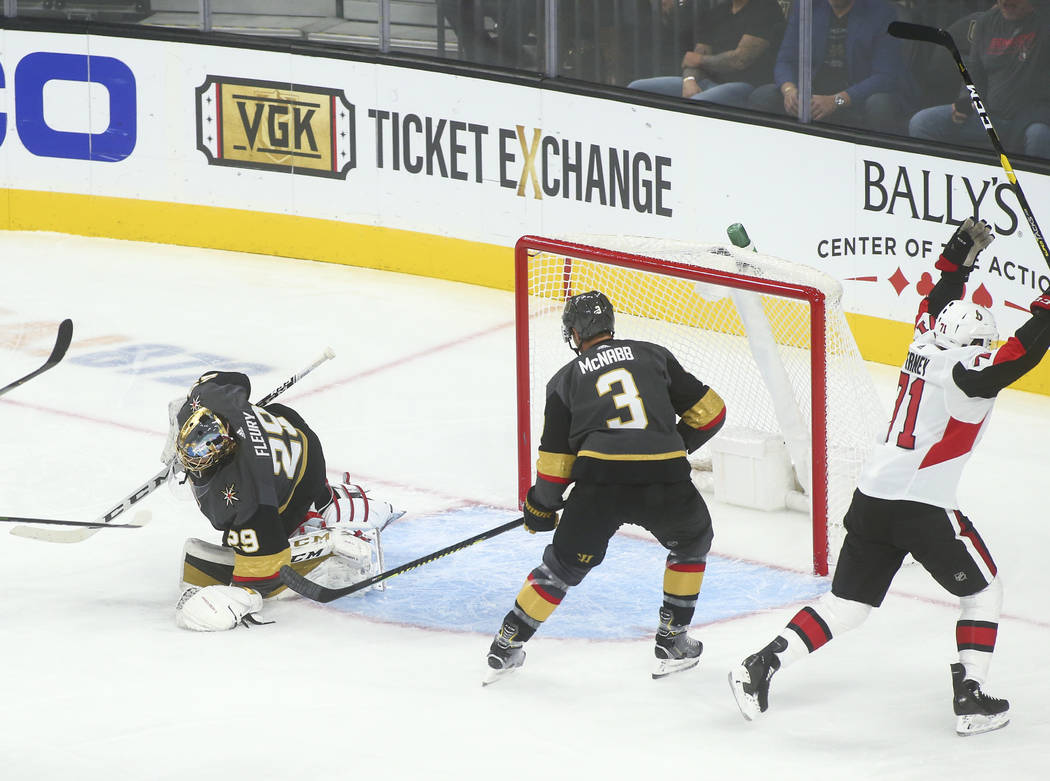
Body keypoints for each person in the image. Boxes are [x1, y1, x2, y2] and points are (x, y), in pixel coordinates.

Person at [729, 218, 1050, 736]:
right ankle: (970, 695)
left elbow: (937, 300)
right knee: (984, 593)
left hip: (872, 497)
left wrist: (957, 258)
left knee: (847, 605)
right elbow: (1020, 354)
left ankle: (759, 665)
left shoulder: (924, 340)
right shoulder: (969, 376)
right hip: (920, 506)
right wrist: (1045, 309)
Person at [483, 291, 727, 684]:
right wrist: (669, 444)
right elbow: (712, 412)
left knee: (560, 567)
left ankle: (507, 643)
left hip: (600, 485)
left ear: (575, 333)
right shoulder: (654, 354)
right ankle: (672, 640)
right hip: (664, 480)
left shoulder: (563, 380)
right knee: (693, 540)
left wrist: (540, 507)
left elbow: (555, 465)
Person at [166, 371, 401, 631]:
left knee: (258, 550)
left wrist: (243, 593)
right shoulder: (208, 398)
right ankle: (323, 501)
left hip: (303, 479)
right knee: (240, 541)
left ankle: (318, 513)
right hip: (286, 420)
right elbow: (239, 379)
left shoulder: (251, 496)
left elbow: (264, 577)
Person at [748, 0, 918, 134]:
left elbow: (885, 76)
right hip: (814, 92)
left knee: (880, 105)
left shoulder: (881, 12)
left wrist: (836, 100)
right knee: (763, 96)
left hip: (857, 96)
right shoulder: (807, 6)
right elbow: (785, 59)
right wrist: (790, 91)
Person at [908, 0, 1050, 160]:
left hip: (1032, 119)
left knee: (1039, 135)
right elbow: (975, 73)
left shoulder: (1044, 22)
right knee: (922, 122)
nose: (1007, 2)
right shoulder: (986, 22)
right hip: (990, 116)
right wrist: (967, 100)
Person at [628, 0, 786, 108]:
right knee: (637, 89)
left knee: (696, 105)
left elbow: (740, 60)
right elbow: (693, 58)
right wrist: (689, 80)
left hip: (745, 86)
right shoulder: (718, 11)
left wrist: (700, 60)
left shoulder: (766, 9)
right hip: (705, 81)